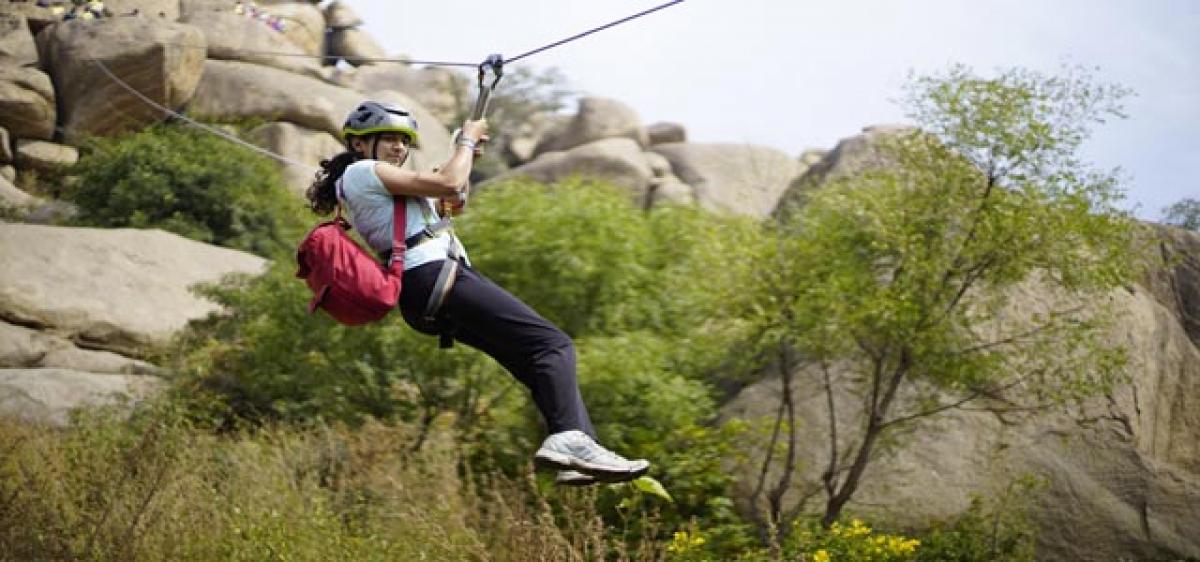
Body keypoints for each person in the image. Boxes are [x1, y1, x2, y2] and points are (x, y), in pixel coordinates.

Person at [305, 101, 651, 486]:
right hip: (433, 273)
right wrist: (466, 144)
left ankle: (576, 448)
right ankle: (570, 439)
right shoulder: (364, 172)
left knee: (531, 361)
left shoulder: (383, 184)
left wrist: (463, 152)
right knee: (553, 346)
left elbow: (454, 201)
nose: (398, 148)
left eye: (403, 142)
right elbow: (448, 184)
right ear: (358, 145)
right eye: (388, 139)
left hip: (425, 290)